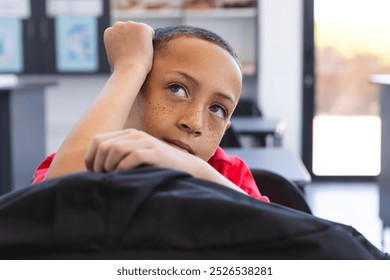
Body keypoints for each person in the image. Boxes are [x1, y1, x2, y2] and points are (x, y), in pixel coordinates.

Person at [32, 21, 269, 202]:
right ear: (132, 91)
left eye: (217, 109)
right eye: (177, 89)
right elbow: (51, 208)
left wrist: (193, 168)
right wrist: (129, 67)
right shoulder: (76, 160)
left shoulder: (228, 173)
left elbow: (279, 235)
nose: (194, 122)